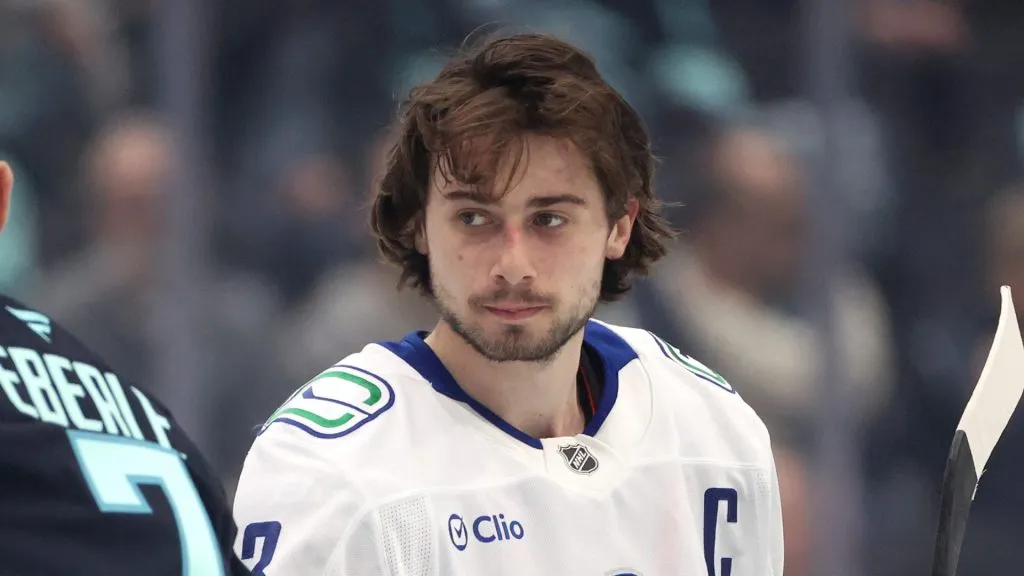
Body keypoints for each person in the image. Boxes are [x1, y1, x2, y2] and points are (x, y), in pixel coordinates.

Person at [232, 33, 784, 575]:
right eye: (474, 218)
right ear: (419, 226)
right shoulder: (331, 472)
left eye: (549, 219)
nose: (513, 264)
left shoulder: (712, 430)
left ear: (619, 226)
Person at [0, 161, 249, 575]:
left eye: (157, 205)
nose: (143, 225)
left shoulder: (240, 321)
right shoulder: (155, 425)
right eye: (125, 206)